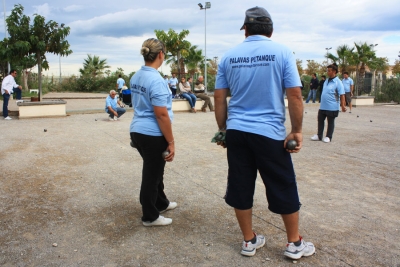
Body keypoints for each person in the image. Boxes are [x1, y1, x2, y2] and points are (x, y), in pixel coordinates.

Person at [214, 6, 315, 260]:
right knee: (282, 185)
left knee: (240, 184)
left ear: (245, 29)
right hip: (269, 133)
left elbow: (219, 98)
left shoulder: (228, 56)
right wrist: (297, 131)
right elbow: (294, 95)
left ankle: (249, 241)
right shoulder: (282, 52)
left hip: (237, 131)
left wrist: (223, 130)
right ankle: (294, 243)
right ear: (270, 30)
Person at [129, 38, 177, 227]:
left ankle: (161, 203)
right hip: (152, 134)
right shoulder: (156, 80)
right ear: (160, 55)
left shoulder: (136, 76)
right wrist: (171, 141)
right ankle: (150, 216)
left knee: (157, 170)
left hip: (138, 131)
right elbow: (161, 114)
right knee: (152, 173)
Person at [311, 64, 346, 143]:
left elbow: (342, 95)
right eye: (327, 70)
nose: (327, 72)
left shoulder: (338, 82)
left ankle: (328, 136)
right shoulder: (326, 80)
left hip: (332, 106)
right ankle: (319, 135)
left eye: (329, 71)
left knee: (330, 122)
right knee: (320, 120)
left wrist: (343, 106)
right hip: (323, 106)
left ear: (334, 71)